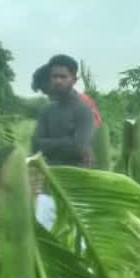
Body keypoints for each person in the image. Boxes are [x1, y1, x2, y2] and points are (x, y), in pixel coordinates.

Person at [30, 55, 96, 229]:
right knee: (46, 242)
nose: (58, 81)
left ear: (74, 79)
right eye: (54, 77)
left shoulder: (83, 111)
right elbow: (35, 146)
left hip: (77, 191)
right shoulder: (46, 111)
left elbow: (78, 147)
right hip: (49, 189)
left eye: (63, 77)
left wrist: (48, 144)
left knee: (79, 246)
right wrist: (67, 142)